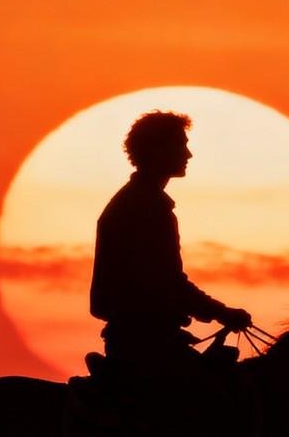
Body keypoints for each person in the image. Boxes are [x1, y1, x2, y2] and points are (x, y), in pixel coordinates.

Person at [89, 111, 251, 375]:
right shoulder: (147, 208)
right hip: (146, 346)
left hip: (144, 339)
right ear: (157, 150)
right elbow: (169, 282)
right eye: (181, 145)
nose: (189, 154)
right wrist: (223, 313)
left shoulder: (138, 203)